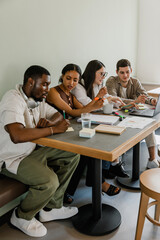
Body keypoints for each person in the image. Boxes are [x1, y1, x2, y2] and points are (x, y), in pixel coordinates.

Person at [0, 65, 80, 238]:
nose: (47, 89)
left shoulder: (36, 100)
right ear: (30, 81)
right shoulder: (12, 99)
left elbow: (58, 115)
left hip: (32, 151)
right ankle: (21, 216)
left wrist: (51, 123)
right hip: (13, 158)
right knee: (49, 181)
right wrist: (53, 130)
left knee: (72, 154)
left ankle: (50, 208)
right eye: (44, 84)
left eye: (48, 85)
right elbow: (17, 134)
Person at [46, 63, 122, 204]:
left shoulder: (70, 94)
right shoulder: (53, 92)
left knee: (89, 147)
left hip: (67, 131)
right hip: (54, 134)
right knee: (84, 151)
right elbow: (73, 112)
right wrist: (97, 100)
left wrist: (98, 98)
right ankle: (94, 184)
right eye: (68, 78)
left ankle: (75, 189)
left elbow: (85, 109)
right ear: (62, 76)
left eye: (75, 80)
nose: (71, 83)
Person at [71, 60, 129, 179]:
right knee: (107, 132)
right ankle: (109, 168)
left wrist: (116, 100)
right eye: (101, 73)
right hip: (81, 120)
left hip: (93, 117)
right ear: (92, 73)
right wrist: (104, 98)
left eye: (104, 74)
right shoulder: (79, 86)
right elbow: (89, 104)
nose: (103, 77)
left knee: (115, 127)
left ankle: (111, 166)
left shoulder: (98, 83)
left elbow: (107, 97)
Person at [106, 59, 159, 169]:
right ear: (117, 72)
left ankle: (152, 159)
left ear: (131, 70)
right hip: (118, 113)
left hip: (132, 113)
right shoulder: (111, 81)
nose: (125, 75)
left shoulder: (135, 81)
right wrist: (134, 101)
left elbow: (144, 94)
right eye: (122, 72)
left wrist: (151, 100)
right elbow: (115, 99)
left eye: (127, 72)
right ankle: (116, 164)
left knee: (148, 125)